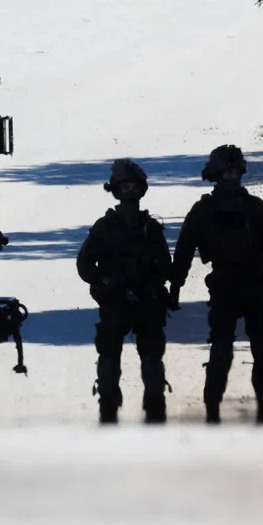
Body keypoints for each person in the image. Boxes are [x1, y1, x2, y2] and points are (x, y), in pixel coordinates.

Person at [170, 145, 263, 424]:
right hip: (232, 286)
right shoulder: (221, 209)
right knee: (228, 349)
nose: (231, 176)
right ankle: (216, 410)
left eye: (234, 171)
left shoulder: (240, 208)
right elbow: (183, 253)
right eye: (228, 172)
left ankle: (256, 409)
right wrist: (174, 289)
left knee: (259, 348)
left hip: (250, 284)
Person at [77, 159, 172, 424]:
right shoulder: (131, 227)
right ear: (119, 190)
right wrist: (105, 283)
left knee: (137, 356)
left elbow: (85, 264)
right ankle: (140, 411)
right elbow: (85, 265)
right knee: (127, 356)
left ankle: (118, 411)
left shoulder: (144, 228)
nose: (130, 191)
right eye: (126, 186)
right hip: (125, 301)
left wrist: (103, 282)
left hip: (136, 301)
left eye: (134, 186)